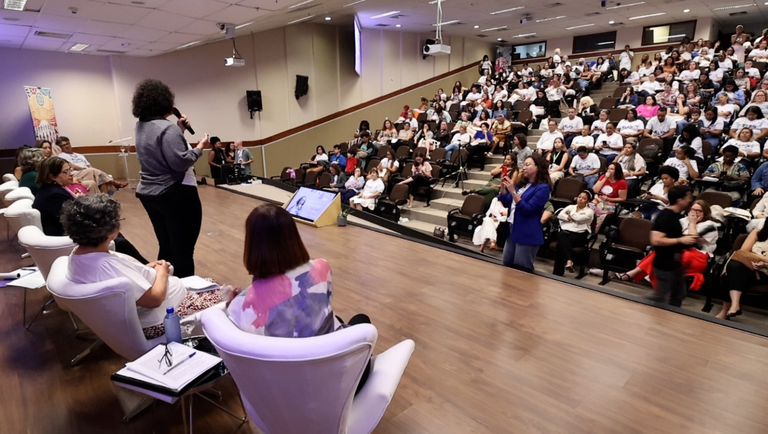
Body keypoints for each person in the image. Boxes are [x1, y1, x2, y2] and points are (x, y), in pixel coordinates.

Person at [227, 203, 372, 393]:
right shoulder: (321, 268)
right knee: (361, 320)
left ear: (251, 245)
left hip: (291, 390)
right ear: (293, 237)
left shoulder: (240, 305)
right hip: (341, 379)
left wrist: (230, 303)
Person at [62, 194, 223, 339]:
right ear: (109, 230)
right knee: (227, 296)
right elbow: (153, 299)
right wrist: (162, 272)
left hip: (158, 308)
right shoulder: (106, 265)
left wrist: (146, 269)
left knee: (210, 283)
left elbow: (122, 283)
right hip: (162, 318)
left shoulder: (77, 256)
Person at [132, 78, 206, 277]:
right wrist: (199, 148)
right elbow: (180, 163)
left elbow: (160, 150)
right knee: (183, 250)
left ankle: (163, 286)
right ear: (164, 101)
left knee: (167, 246)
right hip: (175, 193)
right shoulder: (167, 128)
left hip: (150, 193)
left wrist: (179, 130)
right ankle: (185, 291)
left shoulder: (142, 126)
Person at [34, 157, 147, 263]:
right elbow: (72, 220)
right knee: (118, 240)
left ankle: (141, 265)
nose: (71, 174)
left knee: (113, 232)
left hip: (70, 232)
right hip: (64, 239)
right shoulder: (53, 195)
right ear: (52, 176)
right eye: (65, 172)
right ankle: (144, 266)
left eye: (70, 170)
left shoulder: (53, 190)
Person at [616, 200, 717, 294]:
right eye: (692, 209)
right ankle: (633, 275)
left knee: (667, 254)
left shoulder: (710, 226)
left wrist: (692, 223)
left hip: (698, 257)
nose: (694, 213)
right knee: (662, 252)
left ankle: (631, 274)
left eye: (699, 211)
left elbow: (691, 239)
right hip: (680, 251)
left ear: (705, 213)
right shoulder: (683, 220)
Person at [498, 154, 552, 271]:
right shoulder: (522, 185)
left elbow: (527, 209)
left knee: (521, 269)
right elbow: (506, 202)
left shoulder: (543, 188)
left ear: (538, 167)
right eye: (523, 165)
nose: (524, 167)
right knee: (507, 264)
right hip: (512, 228)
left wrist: (513, 191)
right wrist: (503, 186)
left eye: (528, 164)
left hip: (527, 232)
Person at [645, 185, 697, 307]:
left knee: (678, 295)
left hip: (675, 264)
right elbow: (656, 240)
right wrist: (681, 240)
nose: (690, 200)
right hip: (664, 264)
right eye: (688, 197)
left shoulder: (676, 215)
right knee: (660, 297)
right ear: (680, 200)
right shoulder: (666, 216)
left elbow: (671, 235)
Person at [56, 137, 128, 194]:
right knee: (93, 172)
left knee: (101, 179)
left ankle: (105, 199)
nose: (66, 146)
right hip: (75, 173)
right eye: (63, 145)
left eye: (67, 144)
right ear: (60, 147)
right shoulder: (61, 156)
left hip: (87, 171)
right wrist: (85, 169)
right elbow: (72, 166)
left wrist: (92, 170)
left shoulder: (79, 155)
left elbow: (90, 166)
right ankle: (113, 182)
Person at [552, 190, 595, 276]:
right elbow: (560, 215)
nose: (580, 199)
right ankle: (569, 261)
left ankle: (557, 273)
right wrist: (569, 218)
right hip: (566, 232)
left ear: (588, 201)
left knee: (561, 244)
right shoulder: (571, 207)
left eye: (584, 198)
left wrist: (569, 214)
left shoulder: (590, 211)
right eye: (579, 197)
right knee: (561, 235)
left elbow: (579, 218)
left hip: (580, 235)